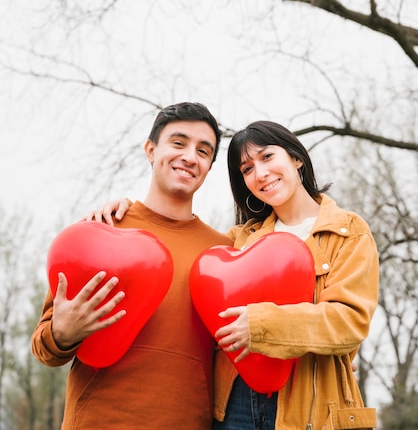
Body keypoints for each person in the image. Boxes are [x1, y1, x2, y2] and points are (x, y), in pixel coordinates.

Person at [103, 120, 379, 430]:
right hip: (236, 408)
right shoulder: (238, 240)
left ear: (296, 158)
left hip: (312, 408)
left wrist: (263, 326)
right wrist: (129, 211)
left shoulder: (348, 232)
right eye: (246, 169)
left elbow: (350, 321)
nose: (260, 174)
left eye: (267, 157)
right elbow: (180, 242)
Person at [32, 102, 233, 430]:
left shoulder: (224, 253)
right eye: (178, 143)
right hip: (97, 421)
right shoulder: (103, 229)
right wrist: (63, 333)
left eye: (203, 150)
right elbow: (44, 347)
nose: (189, 156)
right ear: (151, 150)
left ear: (209, 166)